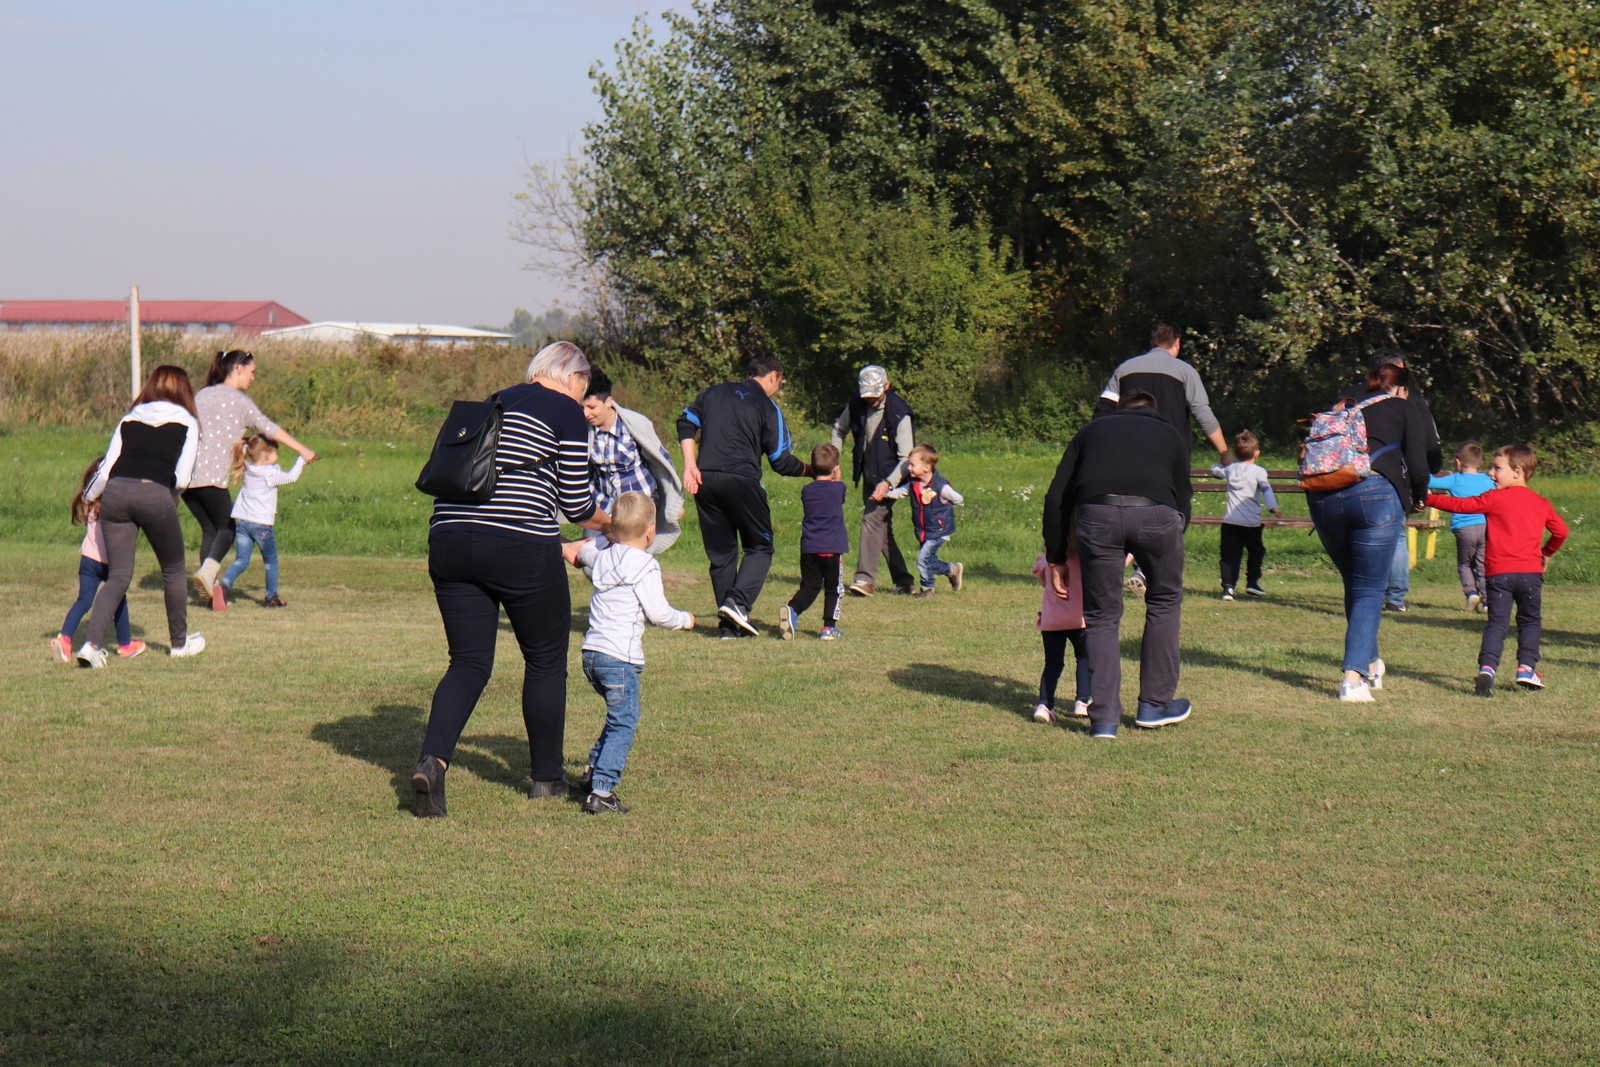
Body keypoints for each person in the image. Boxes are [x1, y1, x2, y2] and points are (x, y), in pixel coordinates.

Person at [411, 341, 609, 819]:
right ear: (573, 377)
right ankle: (545, 778)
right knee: (543, 661)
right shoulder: (564, 411)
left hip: (450, 538)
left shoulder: (491, 401)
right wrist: (614, 523)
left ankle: (432, 762)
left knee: (469, 663)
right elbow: (577, 504)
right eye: (584, 387)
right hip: (519, 543)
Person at [1043, 390, 1193, 738]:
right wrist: (1172, 532)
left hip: (1098, 515)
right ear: (1152, 411)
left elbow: (1056, 496)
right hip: (1157, 514)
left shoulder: (1091, 431)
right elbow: (1183, 498)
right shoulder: (1170, 433)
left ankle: (1105, 720)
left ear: (1119, 410)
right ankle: (1155, 705)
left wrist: (1056, 556)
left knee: (1101, 615)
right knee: (1164, 599)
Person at [560, 491, 696, 814]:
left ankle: (593, 770)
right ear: (651, 532)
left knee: (617, 715)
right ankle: (602, 792)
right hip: (620, 659)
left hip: (592, 654)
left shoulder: (603, 554)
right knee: (625, 722)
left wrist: (566, 547)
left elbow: (581, 554)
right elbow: (659, 614)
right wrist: (684, 620)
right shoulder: (646, 565)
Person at [1304, 362, 1430, 702]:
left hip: (1323, 497)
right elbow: (1419, 462)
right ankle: (1352, 680)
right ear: (1401, 389)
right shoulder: (1403, 406)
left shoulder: (1344, 404)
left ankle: (1371, 662)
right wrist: (1418, 497)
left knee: (1356, 583)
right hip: (1375, 494)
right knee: (1370, 589)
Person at [76, 365, 205, 667]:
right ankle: (178, 644)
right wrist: (170, 498)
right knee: (173, 569)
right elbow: (183, 478)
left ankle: (91, 645)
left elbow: (106, 469)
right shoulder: (187, 420)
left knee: (118, 576)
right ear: (184, 390)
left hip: (117, 493)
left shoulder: (130, 418)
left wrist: (87, 497)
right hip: (154, 491)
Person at [676, 353, 811, 639]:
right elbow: (780, 459)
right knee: (760, 546)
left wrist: (690, 465)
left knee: (722, 555)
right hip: (741, 480)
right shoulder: (767, 405)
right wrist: (811, 470)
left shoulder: (712, 393)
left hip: (706, 479)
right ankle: (737, 604)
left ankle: (729, 626)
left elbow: (685, 422)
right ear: (773, 376)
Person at [1426, 444, 1568, 696]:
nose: (1491, 473)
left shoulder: (1493, 498)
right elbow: (1561, 531)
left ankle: (1487, 669)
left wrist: (1425, 497)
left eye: (1497, 468)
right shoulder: (1540, 502)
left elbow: (1461, 506)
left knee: (1497, 624)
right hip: (1529, 575)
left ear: (1517, 471)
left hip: (1498, 574)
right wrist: (1546, 553)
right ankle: (1526, 668)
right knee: (1530, 621)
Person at [184, 349, 317, 609]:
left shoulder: (202, 394)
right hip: (211, 478)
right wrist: (302, 449)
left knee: (211, 531)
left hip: (188, 479)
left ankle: (208, 591)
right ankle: (207, 575)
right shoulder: (239, 401)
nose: (253, 378)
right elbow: (269, 428)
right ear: (238, 369)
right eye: (252, 372)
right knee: (227, 529)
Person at [1341, 350, 1442, 613]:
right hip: (1387, 479)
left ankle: (1360, 597)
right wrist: (1421, 489)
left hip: (1343, 478)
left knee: (1355, 538)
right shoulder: (1408, 400)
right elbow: (1427, 445)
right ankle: (1395, 598)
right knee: (1395, 537)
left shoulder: (1349, 395)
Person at [829, 365, 915, 597]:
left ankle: (864, 580)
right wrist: (833, 462)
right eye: (866, 396)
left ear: (887, 386)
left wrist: (888, 483)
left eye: (875, 395)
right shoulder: (856, 404)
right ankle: (904, 581)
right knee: (882, 527)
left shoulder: (899, 413)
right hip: (869, 474)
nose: (871, 401)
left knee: (871, 520)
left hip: (893, 477)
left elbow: (907, 458)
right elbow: (839, 429)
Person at [50, 458, 144, 663]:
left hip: (88, 560)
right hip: (110, 563)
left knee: (83, 601)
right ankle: (125, 645)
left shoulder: (89, 504)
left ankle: (64, 639)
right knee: (118, 599)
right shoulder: (116, 507)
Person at [582, 368, 684, 555]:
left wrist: (674, 503)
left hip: (637, 505)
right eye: (582, 407)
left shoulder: (634, 424)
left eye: (592, 407)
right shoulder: (584, 431)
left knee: (633, 561)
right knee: (594, 563)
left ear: (609, 402)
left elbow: (662, 461)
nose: (586, 413)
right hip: (603, 505)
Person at [1094, 322, 1229, 463]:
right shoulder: (1186, 371)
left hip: (1129, 449)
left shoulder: (1124, 369)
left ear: (1153, 342)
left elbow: (1103, 409)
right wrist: (1224, 453)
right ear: (1177, 343)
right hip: (1172, 452)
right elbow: (1202, 414)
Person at [214, 435, 311, 609]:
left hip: (243, 522)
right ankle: (271, 597)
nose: (277, 456)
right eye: (274, 452)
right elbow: (291, 477)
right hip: (261, 525)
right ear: (266, 454)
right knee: (270, 561)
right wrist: (302, 459)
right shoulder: (270, 474)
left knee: (241, 560)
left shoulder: (248, 468)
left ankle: (223, 586)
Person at [780, 444, 849, 640]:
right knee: (834, 588)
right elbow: (837, 492)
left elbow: (820, 488)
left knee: (810, 586)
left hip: (809, 548)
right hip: (832, 549)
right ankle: (828, 627)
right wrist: (837, 476)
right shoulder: (839, 488)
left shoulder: (807, 490)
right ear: (835, 468)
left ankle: (792, 609)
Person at [1209, 430, 1282, 600]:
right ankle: (1252, 582)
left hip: (1230, 522)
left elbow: (1215, 471)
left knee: (1229, 555)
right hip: (1251, 523)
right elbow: (1266, 489)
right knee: (1256, 551)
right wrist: (1273, 508)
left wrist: (1222, 462)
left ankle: (1228, 587)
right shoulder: (1259, 472)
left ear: (1235, 453)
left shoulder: (1230, 470)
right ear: (1257, 453)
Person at [887, 444, 965, 598]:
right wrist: (886, 494)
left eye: (912, 464)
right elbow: (902, 492)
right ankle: (952, 570)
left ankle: (928, 589)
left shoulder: (940, 486)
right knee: (929, 561)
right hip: (923, 530)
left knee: (923, 560)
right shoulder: (914, 484)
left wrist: (944, 502)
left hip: (939, 530)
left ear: (927, 468)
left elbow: (958, 498)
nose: (909, 468)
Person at [1427, 441, 1495, 612]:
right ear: (1480, 462)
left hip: (1464, 528)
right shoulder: (1488, 480)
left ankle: (1471, 593)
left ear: (1458, 462)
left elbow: (1430, 482)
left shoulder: (1454, 480)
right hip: (1485, 526)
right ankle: (1487, 601)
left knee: (1464, 563)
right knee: (1482, 564)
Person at [1031, 542, 1089, 724]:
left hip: (1052, 621)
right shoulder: (1085, 560)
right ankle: (1083, 700)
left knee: (1053, 665)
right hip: (1080, 620)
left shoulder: (1049, 559)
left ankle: (1044, 705)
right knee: (1085, 657)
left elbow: (1041, 577)